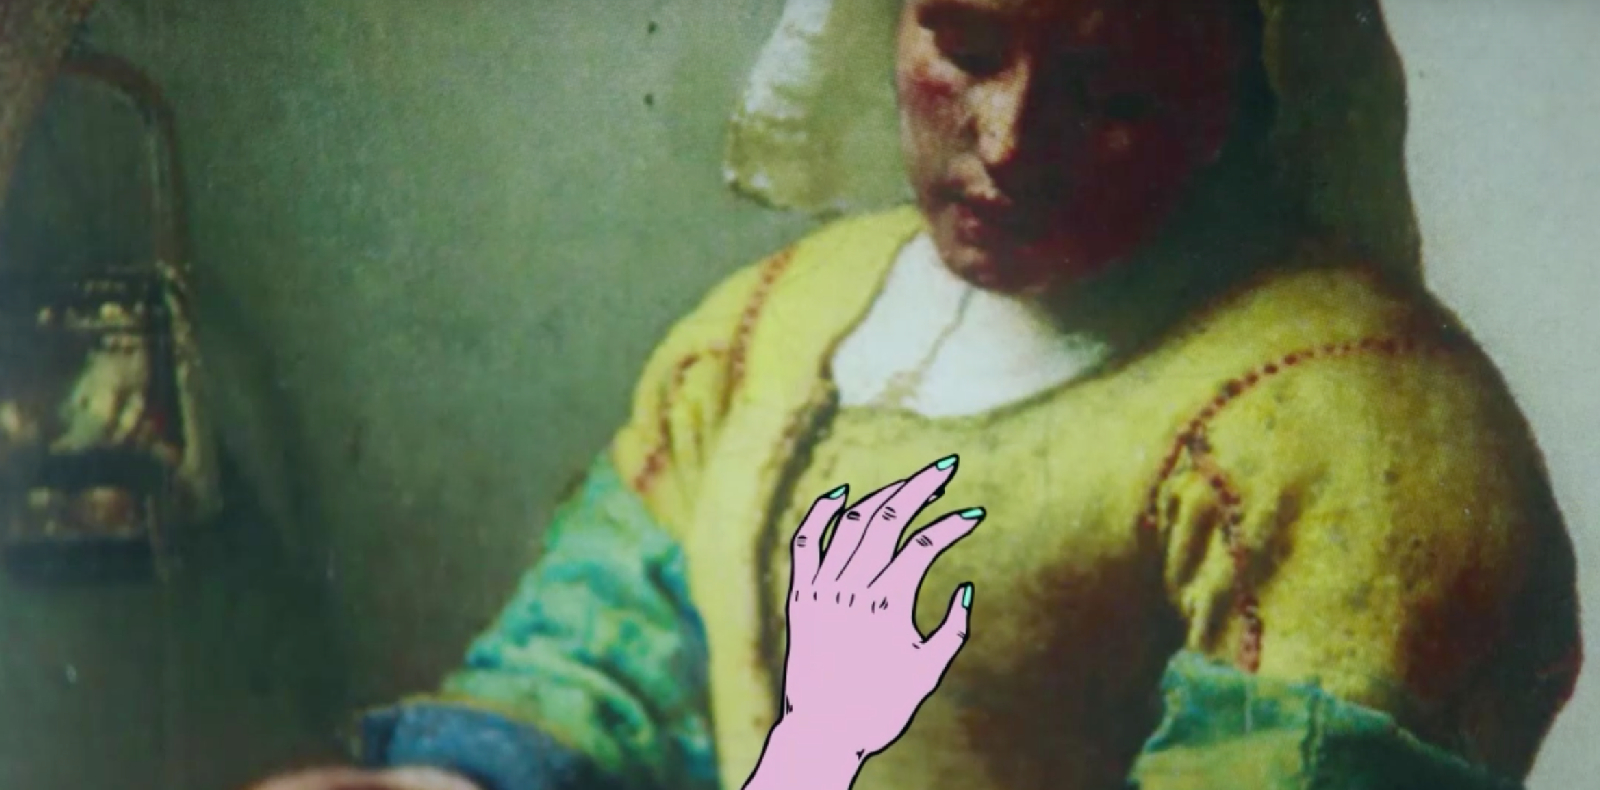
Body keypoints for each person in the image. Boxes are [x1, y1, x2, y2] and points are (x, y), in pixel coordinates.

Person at [255, 0, 1583, 789]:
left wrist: (819, 745)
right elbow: (608, 655)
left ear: (1239, 84)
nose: (1007, 140)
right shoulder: (786, 316)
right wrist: (444, 781)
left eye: (1110, 87)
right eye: (968, 44)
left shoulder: (1366, 432)